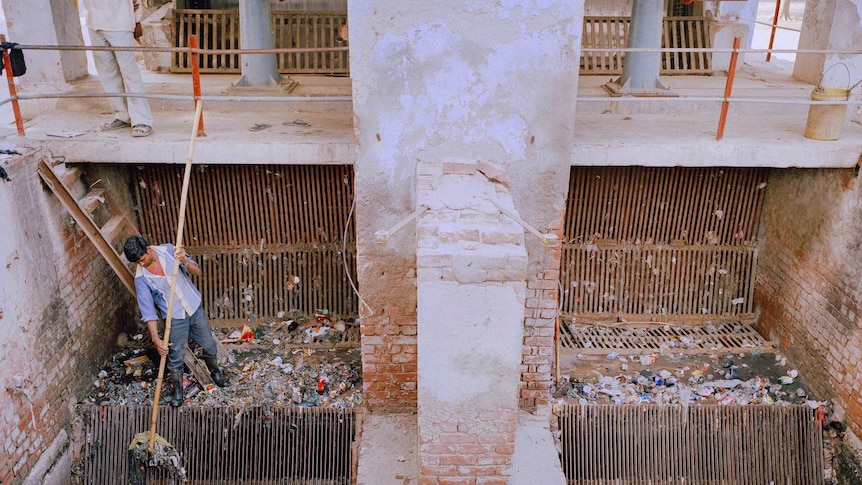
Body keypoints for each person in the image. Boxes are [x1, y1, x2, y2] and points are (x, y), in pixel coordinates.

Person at [123, 235, 228, 407]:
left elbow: (197, 271)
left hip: (194, 307)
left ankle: (215, 373)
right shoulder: (141, 279)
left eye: (142, 259)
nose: (141, 264)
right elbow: (148, 311)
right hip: (175, 317)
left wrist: (183, 261)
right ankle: (178, 389)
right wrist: (157, 340)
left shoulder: (169, 251)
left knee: (209, 345)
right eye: (138, 263)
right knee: (176, 356)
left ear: (148, 249)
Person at [82, 0, 154, 137]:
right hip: (94, 23)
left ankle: (142, 120)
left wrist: (137, 20)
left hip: (119, 22)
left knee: (129, 73)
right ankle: (122, 116)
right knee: (107, 74)